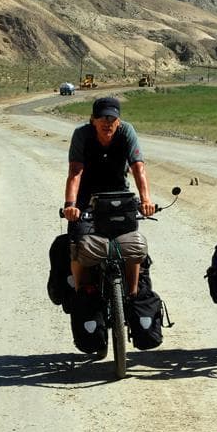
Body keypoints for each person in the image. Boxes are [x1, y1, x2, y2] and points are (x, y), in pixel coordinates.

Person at [52, 96, 156, 302]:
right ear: (93, 119)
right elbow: (75, 172)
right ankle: (81, 294)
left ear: (118, 121)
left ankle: (132, 295)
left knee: (131, 241)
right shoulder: (82, 135)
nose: (107, 123)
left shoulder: (126, 132)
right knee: (77, 241)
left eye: (112, 118)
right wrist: (70, 206)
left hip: (119, 195)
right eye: (102, 118)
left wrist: (146, 200)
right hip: (86, 197)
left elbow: (138, 168)